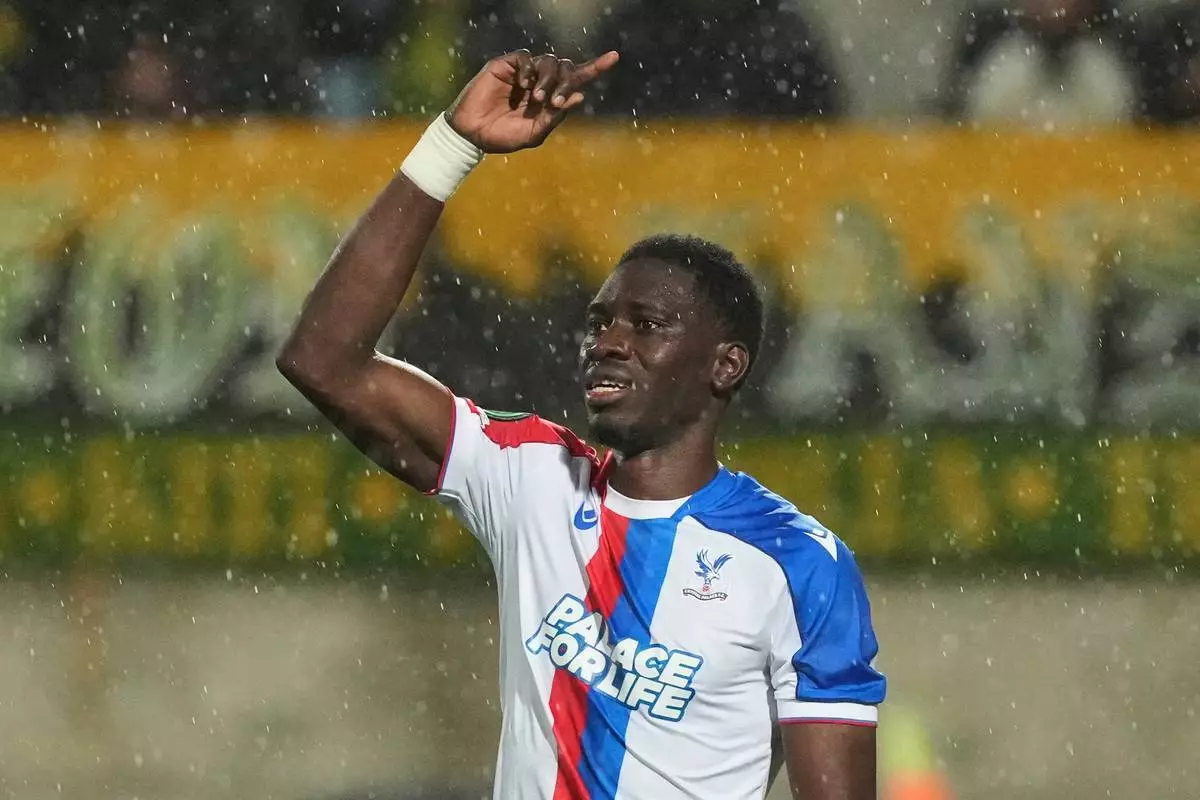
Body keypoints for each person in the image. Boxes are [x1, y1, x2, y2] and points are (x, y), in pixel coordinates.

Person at [277, 48, 885, 800]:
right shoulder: (529, 477)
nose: (609, 342)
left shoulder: (798, 565)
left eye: (647, 324)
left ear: (725, 366)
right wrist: (452, 144)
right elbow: (323, 360)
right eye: (600, 323)